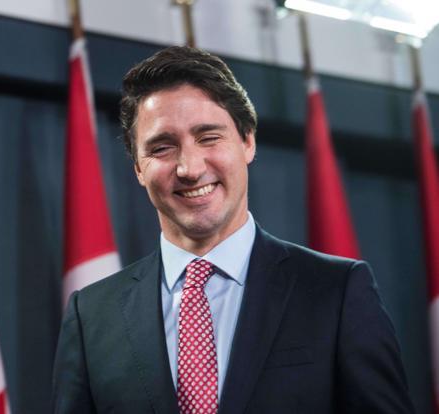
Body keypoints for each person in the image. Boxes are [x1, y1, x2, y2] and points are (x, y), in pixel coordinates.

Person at [52, 46, 414, 414]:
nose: (189, 168)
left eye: (208, 137)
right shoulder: (92, 316)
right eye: (162, 147)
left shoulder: (336, 292)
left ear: (248, 142)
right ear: (139, 169)